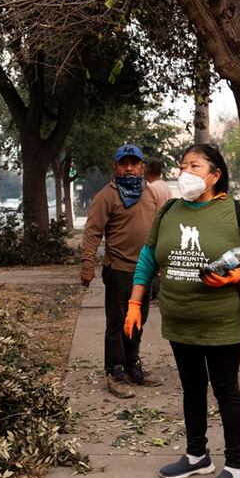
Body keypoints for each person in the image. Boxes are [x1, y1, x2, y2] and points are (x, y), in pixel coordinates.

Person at [124, 144, 240, 478]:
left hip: (220, 323)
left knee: (225, 391)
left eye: (194, 165)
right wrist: (135, 302)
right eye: (182, 165)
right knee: (192, 389)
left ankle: (237, 467)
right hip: (180, 320)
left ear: (214, 174)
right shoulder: (169, 211)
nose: (185, 171)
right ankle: (197, 454)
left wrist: (237, 274)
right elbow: (149, 257)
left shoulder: (236, 210)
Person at [80, 143, 162, 398]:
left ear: (142, 168)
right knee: (117, 322)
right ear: (115, 166)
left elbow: (158, 230)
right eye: (123, 163)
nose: (129, 168)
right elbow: (93, 231)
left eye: (134, 163)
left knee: (139, 319)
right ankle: (114, 371)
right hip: (118, 269)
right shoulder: (107, 195)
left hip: (144, 270)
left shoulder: (149, 194)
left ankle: (131, 365)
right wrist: (87, 264)